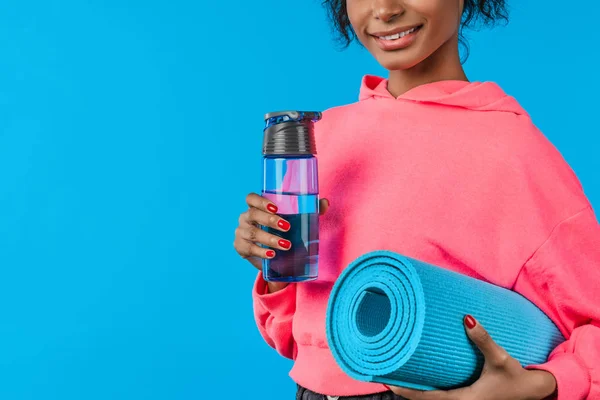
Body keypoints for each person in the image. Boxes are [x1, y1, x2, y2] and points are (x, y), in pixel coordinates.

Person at [233, 1, 600, 399]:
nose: (385, 9)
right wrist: (276, 268)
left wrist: (541, 386)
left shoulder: (513, 153)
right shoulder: (322, 139)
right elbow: (297, 340)